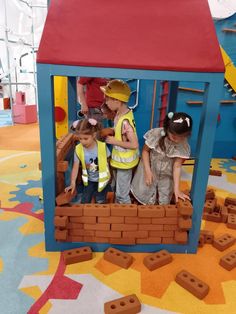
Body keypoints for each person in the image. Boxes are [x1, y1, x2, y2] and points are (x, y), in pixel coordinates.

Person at [131, 112, 193, 205]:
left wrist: (177, 190)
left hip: (166, 173)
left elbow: (177, 166)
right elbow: (145, 151)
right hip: (150, 167)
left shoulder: (182, 145)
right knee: (145, 188)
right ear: (167, 129)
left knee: (164, 193)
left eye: (180, 137)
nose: (176, 139)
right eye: (173, 136)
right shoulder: (156, 134)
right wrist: (147, 171)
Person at [100, 79, 139, 203]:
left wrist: (113, 141)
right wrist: (111, 130)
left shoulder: (125, 121)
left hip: (125, 163)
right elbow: (119, 130)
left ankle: (126, 216)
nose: (106, 102)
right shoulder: (119, 114)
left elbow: (134, 144)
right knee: (118, 190)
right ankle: (118, 211)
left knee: (122, 194)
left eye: (107, 99)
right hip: (119, 161)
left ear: (117, 100)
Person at [65, 118, 111, 203]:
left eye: (85, 139)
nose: (82, 142)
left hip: (102, 181)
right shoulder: (78, 149)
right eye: (80, 139)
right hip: (89, 181)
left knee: (100, 201)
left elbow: (108, 162)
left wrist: (110, 178)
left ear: (93, 135)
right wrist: (72, 183)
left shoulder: (102, 147)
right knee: (85, 200)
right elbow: (75, 167)